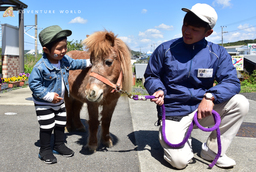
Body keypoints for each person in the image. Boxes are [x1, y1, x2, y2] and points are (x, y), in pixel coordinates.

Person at [144, 3, 249, 169]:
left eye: (195, 29)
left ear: (209, 33)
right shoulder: (165, 49)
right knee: (179, 162)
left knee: (240, 103)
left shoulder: (218, 53)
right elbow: (151, 75)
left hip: (202, 109)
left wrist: (211, 96)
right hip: (174, 111)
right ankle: (179, 136)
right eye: (185, 25)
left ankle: (212, 151)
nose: (187, 31)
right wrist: (157, 89)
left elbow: (232, 81)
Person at [29, 25, 91, 164]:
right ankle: (44, 150)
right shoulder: (40, 67)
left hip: (60, 102)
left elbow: (76, 63)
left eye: (65, 47)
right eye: (59, 48)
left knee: (60, 123)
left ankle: (59, 145)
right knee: (47, 126)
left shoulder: (63, 60)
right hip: (44, 104)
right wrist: (49, 96)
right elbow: (34, 85)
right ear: (46, 49)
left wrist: (91, 62)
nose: (63, 51)